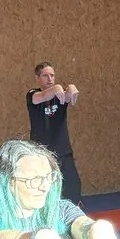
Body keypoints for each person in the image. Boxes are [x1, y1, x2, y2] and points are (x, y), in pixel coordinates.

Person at [26, 62, 82, 202]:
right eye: (45, 76)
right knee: (45, 190)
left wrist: (71, 88)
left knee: (73, 187)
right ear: (37, 78)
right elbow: (43, 96)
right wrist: (56, 89)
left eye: (52, 75)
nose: (50, 79)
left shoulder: (59, 95)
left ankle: (73, 211)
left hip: (63, 151)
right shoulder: (32, 95)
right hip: (42, 154)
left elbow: (68, 96)